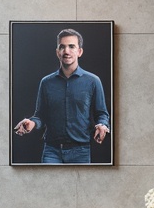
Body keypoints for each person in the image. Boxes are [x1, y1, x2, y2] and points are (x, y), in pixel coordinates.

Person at [14, 28, 110, 164]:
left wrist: (102, 125)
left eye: (72, 46)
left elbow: (102, 113)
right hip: (51, 152)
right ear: (57, 52)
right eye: (62, 47)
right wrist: (32, 122)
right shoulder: (46, 82)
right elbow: (40, 115)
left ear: (80, 51)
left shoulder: (93, 81)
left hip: (81, 152)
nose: (66, 51)